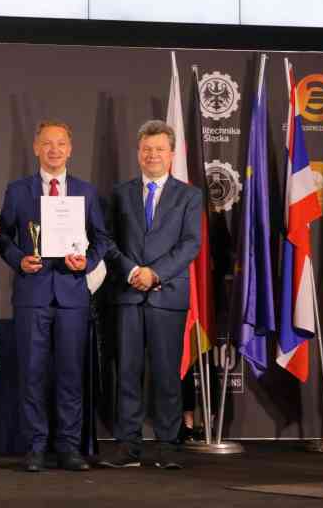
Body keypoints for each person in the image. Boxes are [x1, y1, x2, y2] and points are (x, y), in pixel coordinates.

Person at [0, 119, 110, 472]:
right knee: (32, 374)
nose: (54, 149)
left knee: (70, 374)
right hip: (33, 294)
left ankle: (69, 447)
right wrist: (19, 259)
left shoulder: (86, 191)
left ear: (70, 149)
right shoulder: (18, 191)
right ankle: (35, 447)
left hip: (72, 295)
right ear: (36, 148)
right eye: (47, 143)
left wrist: (87, 262)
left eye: (61, 143)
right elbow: (1, 236)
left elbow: (102, 238)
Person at [103, 120, 201, 470]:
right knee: (127, 373)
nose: (152, 155)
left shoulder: (189, 196)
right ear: (138, 153)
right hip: (127, 295)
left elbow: (190, 244)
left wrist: (155, 273)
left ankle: (168, 446)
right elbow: (107, 240)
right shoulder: (120, 193)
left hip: (167, 296)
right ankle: (128, 446)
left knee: (166, 374)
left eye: (159, 149)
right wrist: (132, 271)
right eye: (147, 149)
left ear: (171, 154)